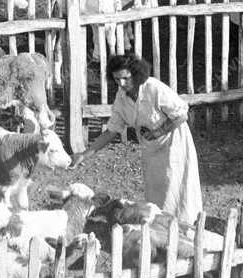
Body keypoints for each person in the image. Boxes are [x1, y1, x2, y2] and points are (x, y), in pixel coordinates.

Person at [70, 54, 203, 228]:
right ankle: (162, 228)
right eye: (117, 79)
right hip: (151, 149)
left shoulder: (153, 88)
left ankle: (187, 227)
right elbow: (111, 131)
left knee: (177, 186)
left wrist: (158, 132)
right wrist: (84, 155)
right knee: (157, 190)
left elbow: (181, 115)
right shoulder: (121, 98)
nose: (122, 83)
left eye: (126, 78)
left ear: (135, 74)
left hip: (174, 143)